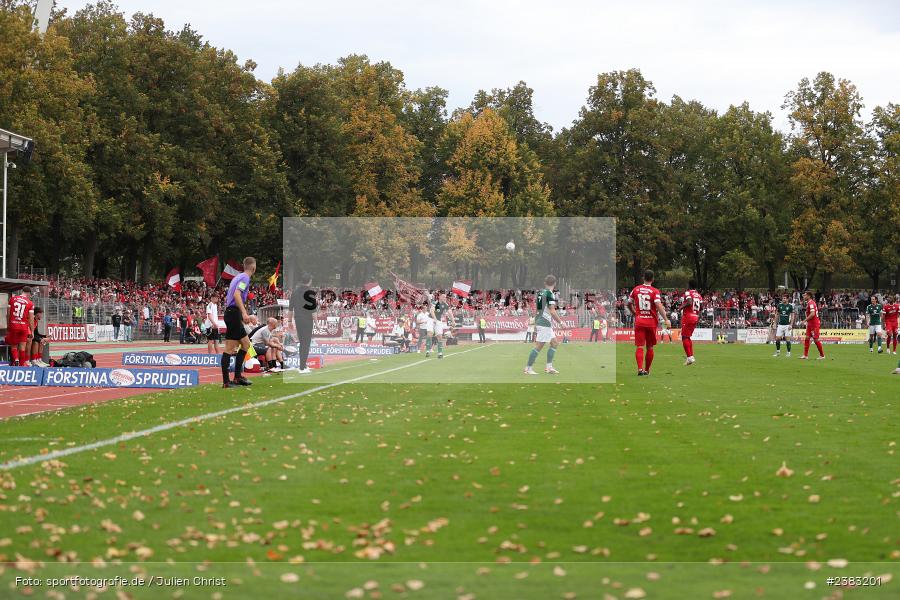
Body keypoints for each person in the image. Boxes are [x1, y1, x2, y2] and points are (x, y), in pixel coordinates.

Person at [221, 256, 257, 388]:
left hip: (233, 314)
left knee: (246, 344)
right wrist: (244, 313)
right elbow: (236, 295)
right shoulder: (245, 278)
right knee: (230, 349)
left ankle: (237, 377)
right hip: (233, 314)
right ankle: (227, 381)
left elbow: (235, 298)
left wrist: (244, 315)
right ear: (253, 267)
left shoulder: (237, 277)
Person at [628, 270, 671, 376]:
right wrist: (666, 319)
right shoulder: (654, 291)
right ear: (653, 279)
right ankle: (646, 370)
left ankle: (639, 369)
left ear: (643, 278)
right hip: (651, 322)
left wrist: (634, 313)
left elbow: (628, 303)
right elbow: (658, 305)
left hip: (639, 321)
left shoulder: (636, 289)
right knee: (650, 347)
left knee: (639, 346)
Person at [524, 275, 564, 374]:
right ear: (555, 284)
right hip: (544, 322)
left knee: (554, 343)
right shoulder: (550, 294)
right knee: (539, 346)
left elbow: (538, 309)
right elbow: (552, 310)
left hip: (541, 322)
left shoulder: (541, 293)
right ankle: (528, 368)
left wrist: (536, 322)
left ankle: (549, 367)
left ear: (545, 283)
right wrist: (561, 322)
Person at [287, 272, 316, 374]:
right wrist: (316, 323)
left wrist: (289, 321)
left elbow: (290, 309)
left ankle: (302, 365)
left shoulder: (294, 292)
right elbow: (313, 310)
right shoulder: (310, 292)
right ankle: (302, 367)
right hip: (307, 320)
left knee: (302, 342)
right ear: (309, 281)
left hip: (298, 319)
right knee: (306, 343)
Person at [6, 286, 35, 366]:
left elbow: (8, 314)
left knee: (14, 346)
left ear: (22, 291)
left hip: (13, 325)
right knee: (22, 347)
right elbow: (31, 319)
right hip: (23, 327)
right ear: (28, 293)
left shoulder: (12, 299)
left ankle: (16, 359)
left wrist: (8, 325)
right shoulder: (30, 303)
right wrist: (32, 331)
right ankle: (22, 365)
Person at [680, 281, 702, 365]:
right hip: (695, 316)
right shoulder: (699, 295)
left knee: (684, 337)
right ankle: (691, 356)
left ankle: (689, 357)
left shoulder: (688, 293)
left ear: (689, 285)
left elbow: (689, 302)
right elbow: (701, 307)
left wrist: (681, 307)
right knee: (688, 337)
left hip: (688, 316)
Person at [799, 290, 825, 360]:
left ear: (809, 296)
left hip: (814, 324)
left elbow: (813, 314)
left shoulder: (811, 303)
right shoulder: (809, 303)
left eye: (805, 295)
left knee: (816, 339)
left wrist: (804, 320)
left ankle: (822, 355)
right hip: (810, 324)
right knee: (807, 338)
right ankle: (805, 355)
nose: (804, 296)